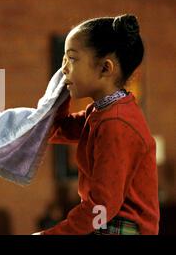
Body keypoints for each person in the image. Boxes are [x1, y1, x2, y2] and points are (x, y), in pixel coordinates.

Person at [40, 14, 159, 235]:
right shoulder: (101, 111)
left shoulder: (116, 123)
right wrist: (60, 94)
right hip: (106, 221)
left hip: (122, 227)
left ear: (105, 68)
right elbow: (55, 129)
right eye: (63, 59)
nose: (64, 68)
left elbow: (102, 206)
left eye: (72, 59)